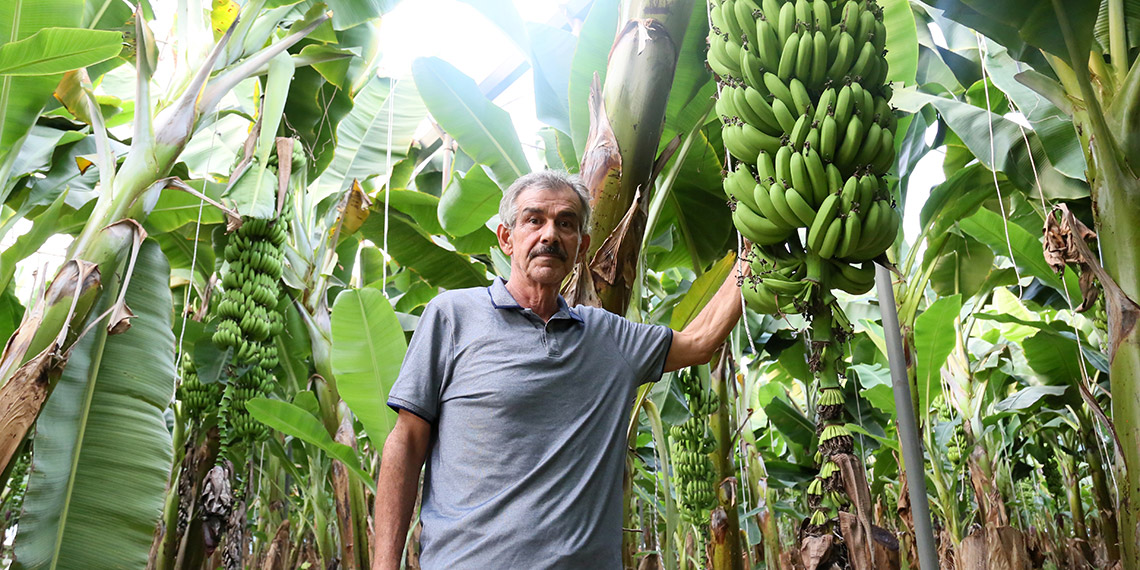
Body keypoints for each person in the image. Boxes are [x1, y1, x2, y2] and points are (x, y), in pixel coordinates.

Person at [372, 171, 744, 569]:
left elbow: (701, 341)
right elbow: (407, 443)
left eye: (565, 223)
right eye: (534, 220)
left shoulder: (607, 337)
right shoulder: (453, 317)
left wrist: (756, 247)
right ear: (506, 238)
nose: (549, 234)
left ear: (581, 246)